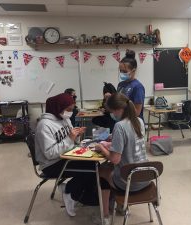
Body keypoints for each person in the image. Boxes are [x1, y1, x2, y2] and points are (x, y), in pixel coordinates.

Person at [35, 93, 95, 217]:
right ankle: (70, 193)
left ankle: (77, 192)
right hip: (51, 164)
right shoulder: (44, 125)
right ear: (58, 107)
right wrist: (70, 138)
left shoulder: (64, 119)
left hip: (66, 156)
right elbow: (50, 154)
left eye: (72, 109)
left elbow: (71, 142)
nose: (70, 113)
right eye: (68, 109)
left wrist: (76, 136)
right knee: (90, 169)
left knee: (93, 164)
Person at [92, 93, 148, 225]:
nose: (112, 115)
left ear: (118, 110)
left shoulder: (120, 126)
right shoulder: (138, 121)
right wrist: (112, 144)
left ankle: (105, 215)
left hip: (129, 182)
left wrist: (102, 148)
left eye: (111, 112)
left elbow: (115, 159)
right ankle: (120, 207)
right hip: (146, 176)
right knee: (111, 169)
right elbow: (131, 143)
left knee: (102, 171)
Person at [117, 50, 145, 120]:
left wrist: (120, 111)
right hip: (122, 122)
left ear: (133, 70)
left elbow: (137, 112)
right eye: (120, 71)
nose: (122, 73)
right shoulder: (120, 84)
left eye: (125, 71)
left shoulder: (137, 87)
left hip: (134, 125)